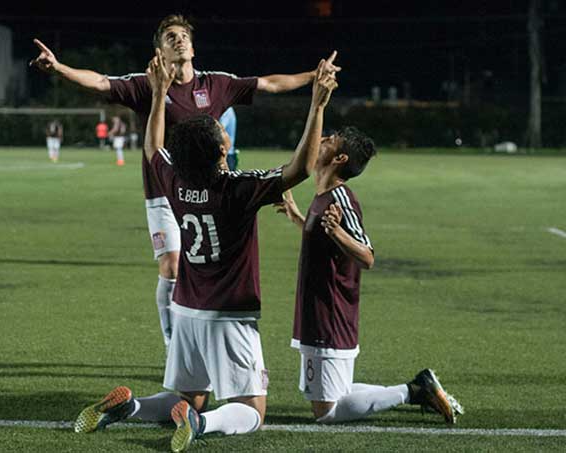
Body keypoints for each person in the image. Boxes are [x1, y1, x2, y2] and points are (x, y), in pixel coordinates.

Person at [73, 52, 338, 452]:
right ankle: (200, 424)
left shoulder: (174, 180)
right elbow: (299, 169)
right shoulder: (238, 189)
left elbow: (152, 147)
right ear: (219, 150)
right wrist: (317, 105)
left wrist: (159, 93)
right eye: (218, 129)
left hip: (185, 311)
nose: (221, 126)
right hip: (228, 314)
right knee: (252, 411)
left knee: (189, 395)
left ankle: (131, 408)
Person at [30, 14, 341, 351]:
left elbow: (269, 83)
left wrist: (313, 76)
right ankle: (172, 342)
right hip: (164, 191)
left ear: (192, 47)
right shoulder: (145, 84)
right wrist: (60, 68)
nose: (178, 40)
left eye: (182, 36)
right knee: (172, 264)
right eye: (169, 37)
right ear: (159, 53)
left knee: (208, 267)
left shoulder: (216, 84)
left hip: (210, 195)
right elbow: (101, 82)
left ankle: (206, 333)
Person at [274, 131, 463, 424]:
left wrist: (337, 231)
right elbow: (325, 240)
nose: (321, 138)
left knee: (326, 412)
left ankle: (413, 391)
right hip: (320, 309)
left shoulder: (340, 198)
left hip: (330, 313)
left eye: (329, 140)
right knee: (339, 393)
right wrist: (298, 217)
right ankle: (419, 388)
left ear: (339, 159)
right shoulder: (324, 195)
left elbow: (368, 256)